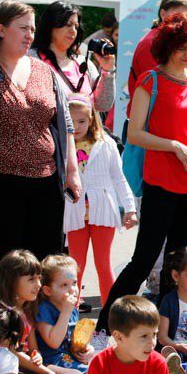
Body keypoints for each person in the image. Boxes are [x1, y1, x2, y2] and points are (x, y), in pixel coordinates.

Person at [97, 13, 187, 335]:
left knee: (178, 263)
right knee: (143, 260)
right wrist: (174, 146)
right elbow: (136, 134)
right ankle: (104, 328)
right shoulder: (150, 81)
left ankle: (164, 335)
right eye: (183, 47)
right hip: (161, 182)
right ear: (168, 46)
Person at [0, 0, 81, 285]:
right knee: (0, 268)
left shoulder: (44, 71)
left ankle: (37, 317)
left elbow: (65, 123)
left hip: (45, 184)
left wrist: (72, 171)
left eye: (32, 28)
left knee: (43, 268)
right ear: (0, 29)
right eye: (22, 28)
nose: (30, 34)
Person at [0, 250, 88, 374]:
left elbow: (33, 348)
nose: (38, 284)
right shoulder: (5, 314)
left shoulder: (29, 310)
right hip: (0, 371)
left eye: (38, 278)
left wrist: (36, 355)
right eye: (31, 279)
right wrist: (44, 371)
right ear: (12, 281)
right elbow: (13, 352)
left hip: (28, 365)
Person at [64, 94, 137, 305]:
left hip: (103, 210)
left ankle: (109, 311)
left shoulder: (106, 143)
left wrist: (130, 209)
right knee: (75, 266)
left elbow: (119, 178)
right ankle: (71, 312)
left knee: (103, 264)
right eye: (72, 121)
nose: (77, 126)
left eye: (82, 121)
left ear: (91, 119)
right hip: (74, 210)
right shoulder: (62, 144)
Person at [33, 1, 115, 115]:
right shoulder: (32, 60)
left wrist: (108, 70)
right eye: (68, 24)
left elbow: (103, 105)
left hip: (87, 126)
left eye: (76, 26)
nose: (73, 31)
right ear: (50, 26)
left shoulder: (84, 63)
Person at [126, 0, 187, 111]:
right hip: (151, 117)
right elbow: (159, 88)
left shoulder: (167, 41)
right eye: (178, 15)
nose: (183, 21)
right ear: (163, 14)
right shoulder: (152, 43)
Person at [36, 255, 92, 373]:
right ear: (48, 291)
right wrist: (66, 312)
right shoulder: (44, 309)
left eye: (74, 283)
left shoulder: (71, 309)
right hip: (51, 362)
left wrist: (87, 349)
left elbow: (75, 341)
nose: (72, 289)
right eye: (64, 285)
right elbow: (54, 343)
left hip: (69, 357)